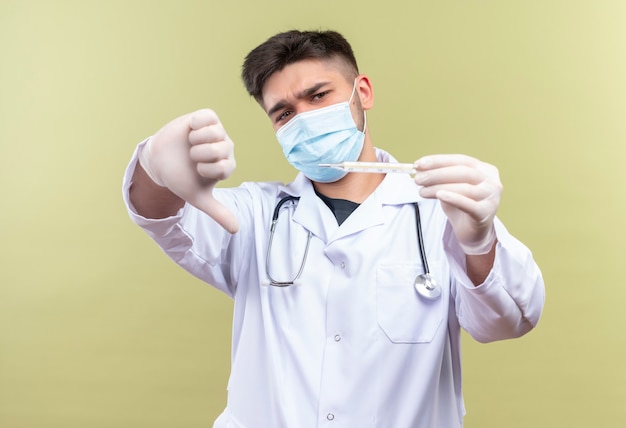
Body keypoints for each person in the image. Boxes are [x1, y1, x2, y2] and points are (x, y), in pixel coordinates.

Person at [122, 30, 545, 428]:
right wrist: (154, 165)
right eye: (284, 113)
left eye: (318, 95)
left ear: (362, 92)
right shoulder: (254, 214)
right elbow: (161, 214)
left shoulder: (440, 214)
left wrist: (480, 242)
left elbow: (509, 322)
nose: (304, 119)